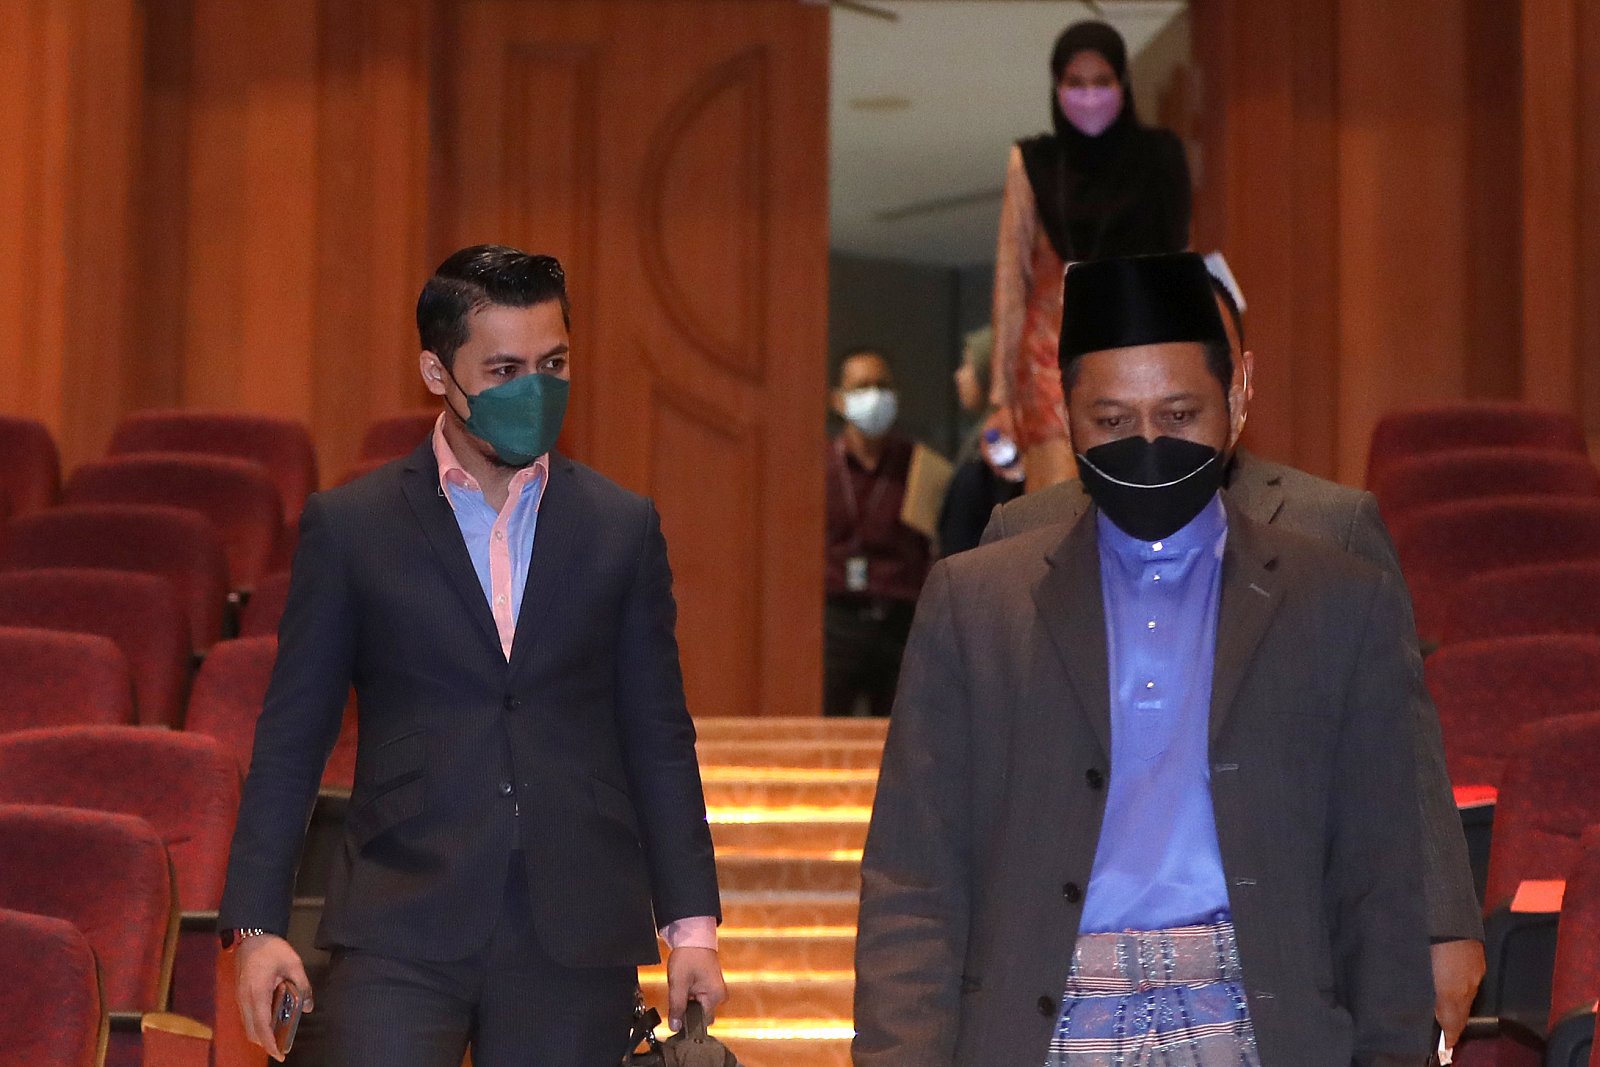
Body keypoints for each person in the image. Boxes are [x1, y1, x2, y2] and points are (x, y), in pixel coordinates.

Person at [854, 253, 1433, 1066]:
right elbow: (914, 883)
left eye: (1180, 413)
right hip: (1044, 1026)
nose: (1150, 443)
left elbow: (1381, 886)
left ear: (1235, 402)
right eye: (1113, 421)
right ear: (1068, 416)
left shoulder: (1336, 603)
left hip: (1255, 1023)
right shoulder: (976, 603)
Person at [217, 246, 725, 1066]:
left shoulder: (621, 526)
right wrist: (256, 924)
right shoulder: (351, 527)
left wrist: (691, 928)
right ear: (436, 372)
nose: (536, 389)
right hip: (400, 914)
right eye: (505, 370)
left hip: (576, 924)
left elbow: (658, 735)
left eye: (553, 364)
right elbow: (292, 737)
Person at [981, 269, 1487, 1050]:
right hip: (1072, 967)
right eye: (1116, 411)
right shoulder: (1021, 535)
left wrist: (1445, 922)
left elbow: (1401, 746)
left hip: (1278, 947)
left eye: (1180, 399)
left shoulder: (1331, 526)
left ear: (1235, 386)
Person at [990, 20, 1192, 494]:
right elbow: (1010, 283)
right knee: (1057, 513)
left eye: (1102, 81)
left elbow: (1182, 268)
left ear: (1123, 83)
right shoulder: (1033, 164)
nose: (1089, 96)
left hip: (1143, 359)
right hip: (1052, 369)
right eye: (1075, 83)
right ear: (1056, 87)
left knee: (1141, 504)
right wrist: (1001, 400)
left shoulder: (1160, 157)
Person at [824, 348, 932, 716]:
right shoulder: (820, 467)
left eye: (881, 385)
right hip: (837, 621)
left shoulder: (918, 465)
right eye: (861, 386)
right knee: (826, 732)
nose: (873, 395)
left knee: (899, 735)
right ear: (838, 400)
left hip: (898, 623)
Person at [939, 325, 1024, 557]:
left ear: (989, 372)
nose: (959, 376)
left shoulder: (1001, 440)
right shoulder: (976, 438)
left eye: (968, 365)